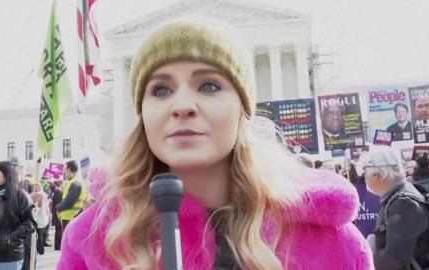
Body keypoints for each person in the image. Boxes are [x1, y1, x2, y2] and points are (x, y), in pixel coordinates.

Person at [57, 18, 372, 269]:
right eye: (161, 90)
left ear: (242, 109)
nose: (182, 105)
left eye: (208, 85)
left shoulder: (331, 243)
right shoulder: (92, 239)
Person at [362, 146, 429, 270]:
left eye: (364, 172)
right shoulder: (398, 197)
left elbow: (394, 259)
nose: (364, 177)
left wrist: (365, 260)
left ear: (376, 174)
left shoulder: (403, 203)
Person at [56, 160, 87, 233]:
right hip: (70, 217)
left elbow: (69, 201)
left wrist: (57, 207)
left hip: (71, 217)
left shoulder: (76, 183)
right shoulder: (74, 181)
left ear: (69, 170)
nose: (64, 172)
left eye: (64, 169)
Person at [30, 182, 50, 256]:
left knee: (38, 235)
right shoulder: (44, 195)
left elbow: (37, 208)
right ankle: (40, 250)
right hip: (42, 219)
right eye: (34, 186)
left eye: (36, 186)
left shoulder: (37, 195)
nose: (35, 188)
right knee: (40, 234)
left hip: (38, 218)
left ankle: (40, 250)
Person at [51, 180, 63, 251]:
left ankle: (57, 246)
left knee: (58, 230)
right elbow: (58, 205)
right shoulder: (58, 192)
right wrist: (59, 215)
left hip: (56, 214)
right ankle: (58, 247)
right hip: (58, 215)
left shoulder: (57, 191)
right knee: (58, 231)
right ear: (60, 184)